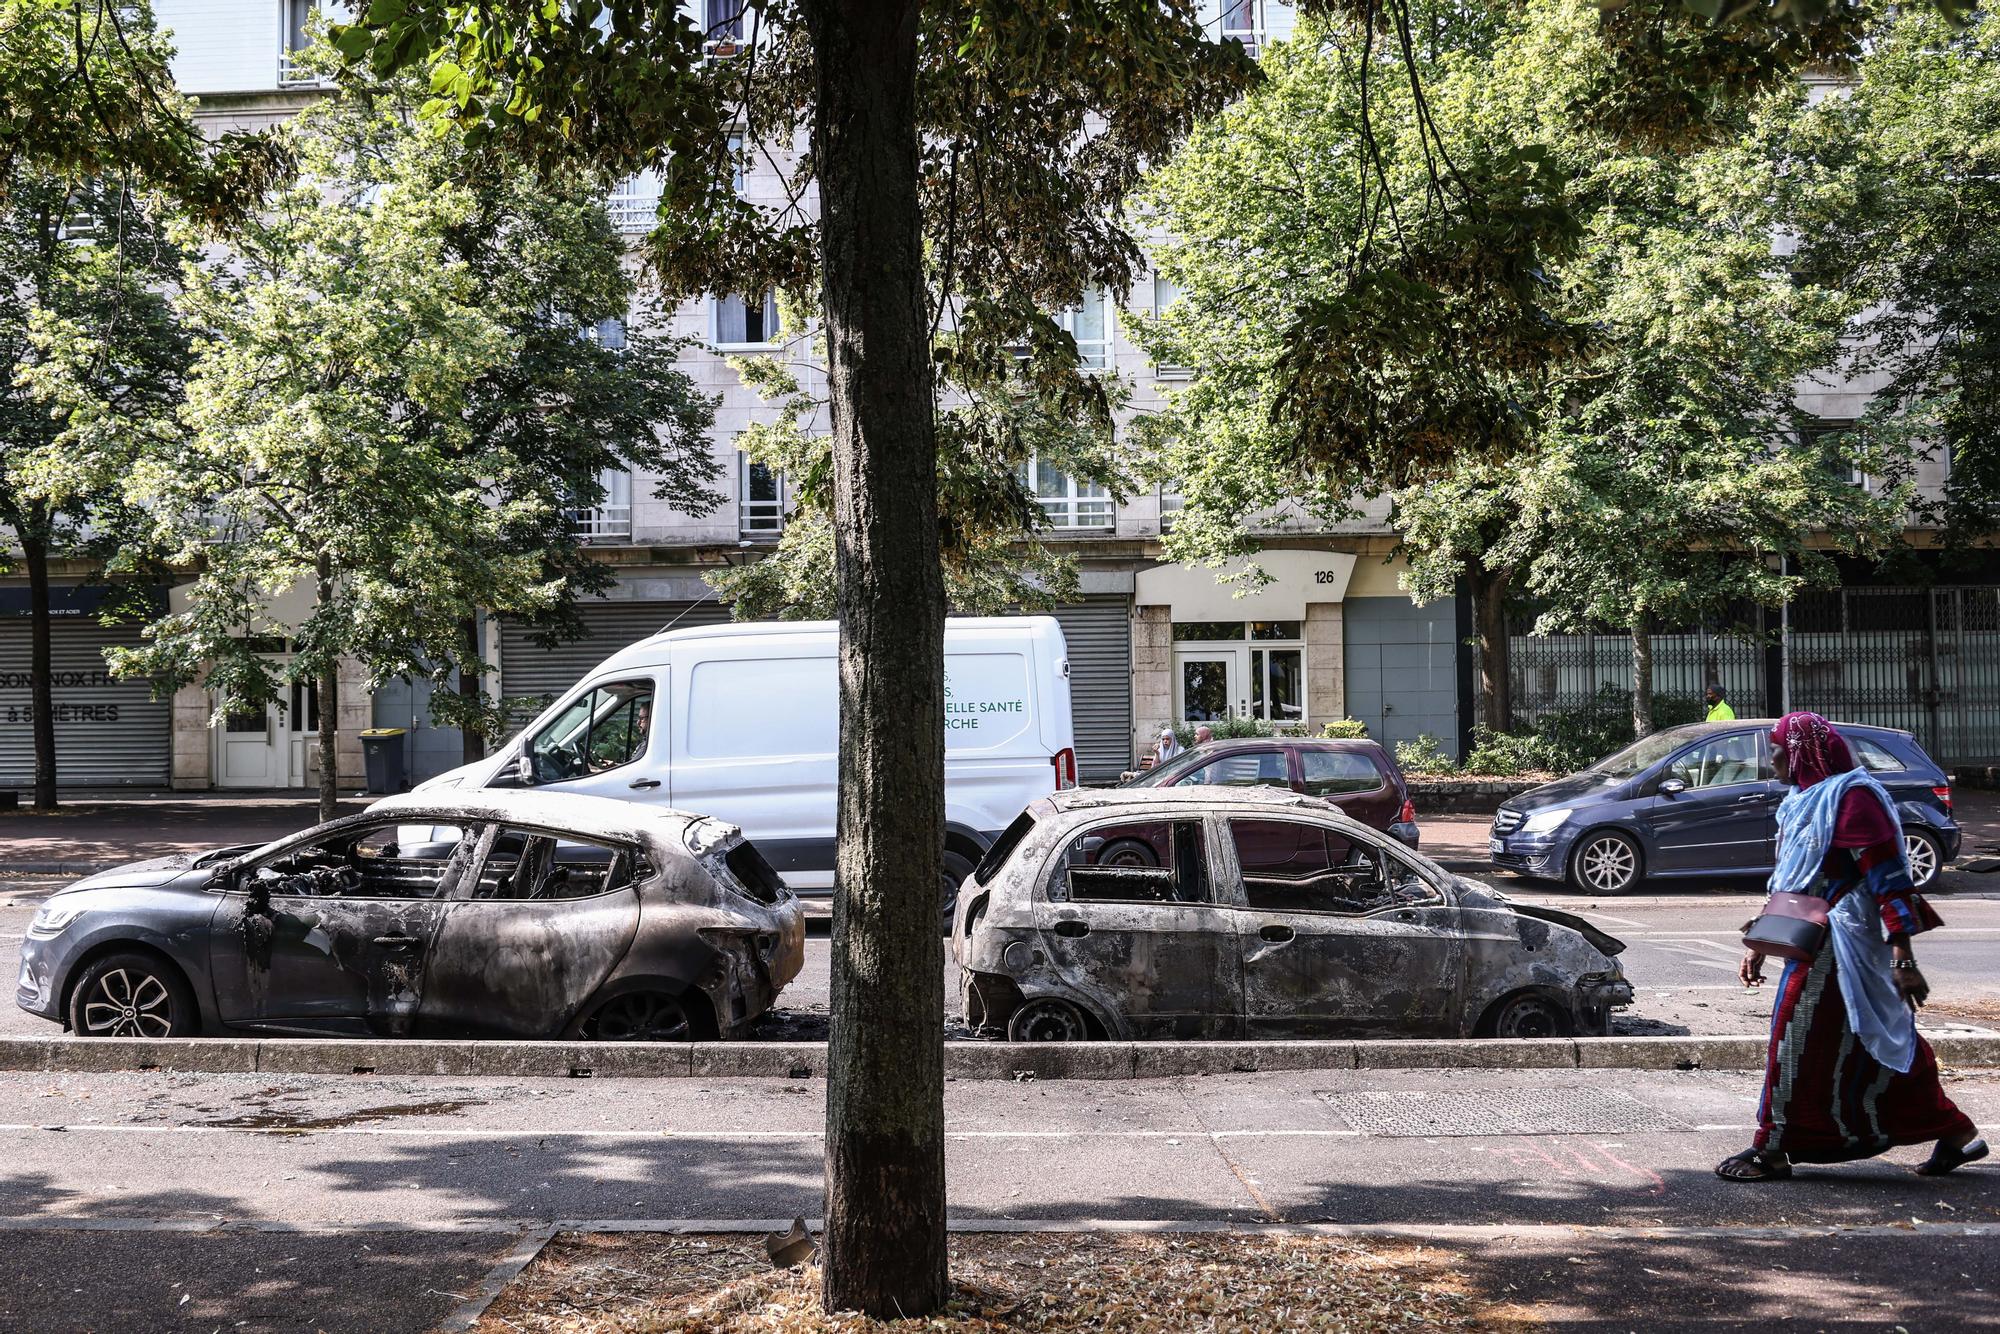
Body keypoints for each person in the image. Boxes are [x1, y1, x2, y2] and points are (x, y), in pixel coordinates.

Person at [1715, 712, 1985, 1182]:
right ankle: (1958, 1134)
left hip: (1847, 943)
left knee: (1794, 1037)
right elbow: (1795, 882)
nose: (1770, 760)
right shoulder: (1804, 799)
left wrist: (1904, 959)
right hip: (1816, 936)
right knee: (1871, 1039)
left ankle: (1773, 1147)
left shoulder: (1854, 800)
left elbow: (1890, 881)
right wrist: (1759, 941)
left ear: (1800, 753)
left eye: (1776, 750)